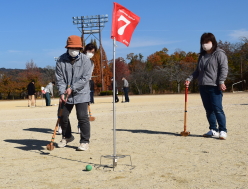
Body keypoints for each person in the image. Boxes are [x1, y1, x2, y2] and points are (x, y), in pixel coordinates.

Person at [185, 32, 228, 140]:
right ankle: (213, 130)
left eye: (207, 42)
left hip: (214, 86)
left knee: (217, 109)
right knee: (208, 110)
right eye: (203, 42)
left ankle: (222, 130)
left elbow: (224, 68)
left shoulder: (219, 53)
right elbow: (197, 71)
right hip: (202, 86)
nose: (205, 44)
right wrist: (189, 79)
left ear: (212, 42)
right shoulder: (202, 55)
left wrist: (221, 81)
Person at [55, 35, 92, 151]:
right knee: (62, 116)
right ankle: (67, 136)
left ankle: (84, 141)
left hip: (82, 93)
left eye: (76, 48)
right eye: (72, 48)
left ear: (80, 48)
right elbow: (59, 78)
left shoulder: (86, 60)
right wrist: (62, 92)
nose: (74, 50)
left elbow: (86, 78)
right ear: (67, 48)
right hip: (66, 93)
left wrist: (73, 88)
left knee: (82, 117)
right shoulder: (60, 60)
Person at [77, 43, 97, 134]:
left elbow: (89, 75)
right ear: (85, 50)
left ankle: (80, 126)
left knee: (82, 111)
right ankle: (62, 126)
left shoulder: (91, 63)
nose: (91, 53)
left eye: (93, 52)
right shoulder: (78, 59)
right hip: (75, 84)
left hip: (85, 86)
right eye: (89, 51)